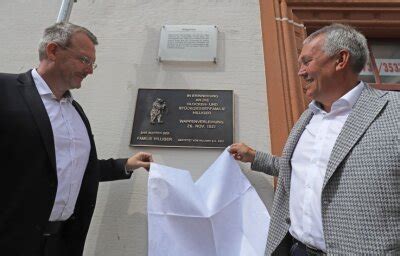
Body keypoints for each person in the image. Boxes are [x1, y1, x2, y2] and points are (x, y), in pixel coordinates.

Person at [230, 23, 400, 255]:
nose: (300, 71)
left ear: (340, 60)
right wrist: (254, 157)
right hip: (296, 248)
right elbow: (306, 171)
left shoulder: (394, 112)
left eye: (307, 61)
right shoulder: (309, 116)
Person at [0, 22, 153, 256]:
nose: (90, 70)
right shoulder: (6, 90)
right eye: (84, 60)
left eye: (93, 63)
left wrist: (124, 165)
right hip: (11, 241)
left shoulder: (75, 111)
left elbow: (72, 169)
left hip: (62, 242)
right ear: (53, 51)